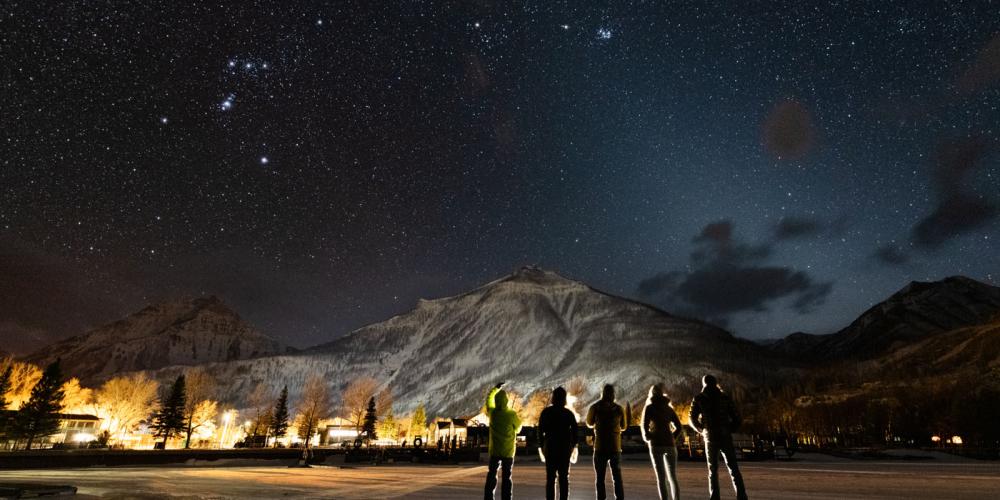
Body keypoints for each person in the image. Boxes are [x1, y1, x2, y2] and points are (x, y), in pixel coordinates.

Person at [689, 375, 748, 500]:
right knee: (733, 468)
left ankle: (715, 497)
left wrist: (702, 429)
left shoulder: (699, 398)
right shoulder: (724, 397)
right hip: (725, 435)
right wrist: (729, 429)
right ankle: (742, 496)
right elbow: (737, 417)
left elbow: (692, 418)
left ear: (704, 384)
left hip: (710, 436)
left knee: (712, 470)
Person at [642, 384, 683, 500]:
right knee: (673, 477)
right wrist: (672, 437)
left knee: (661, 478)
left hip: (656, 444)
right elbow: (679, 427)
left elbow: (644, 426)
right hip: (670, 444)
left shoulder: (649, 408)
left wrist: (649, 436)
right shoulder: (669, 409)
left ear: (652, 394)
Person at [586, 384, 627, 500]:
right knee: (617, 478)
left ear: (602, 393)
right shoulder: (619, 409)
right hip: (615, 446)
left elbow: (589, 423)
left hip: (600, 446)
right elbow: (624, 426)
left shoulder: (595, 407)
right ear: (613, 394)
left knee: (600, 479)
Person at [537, 386, 578, 500]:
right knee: (564, 478)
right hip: (565, 448)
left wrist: (541, 446)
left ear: (553, 398)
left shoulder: (546, 412)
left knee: (550, 479)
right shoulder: (568, 413)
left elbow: (540, 430)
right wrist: (574, 446)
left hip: (550, 447)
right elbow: (575, 431)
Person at [484, 382, 523, 500]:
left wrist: (495, 389)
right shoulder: (511, 415)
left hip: (495, 451)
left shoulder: (492, 413)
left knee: (492, 474)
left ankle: (488, 497)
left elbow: (488, 400)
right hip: (508, 452)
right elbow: (519, 428)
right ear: (506, 400)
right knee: (507, 477)